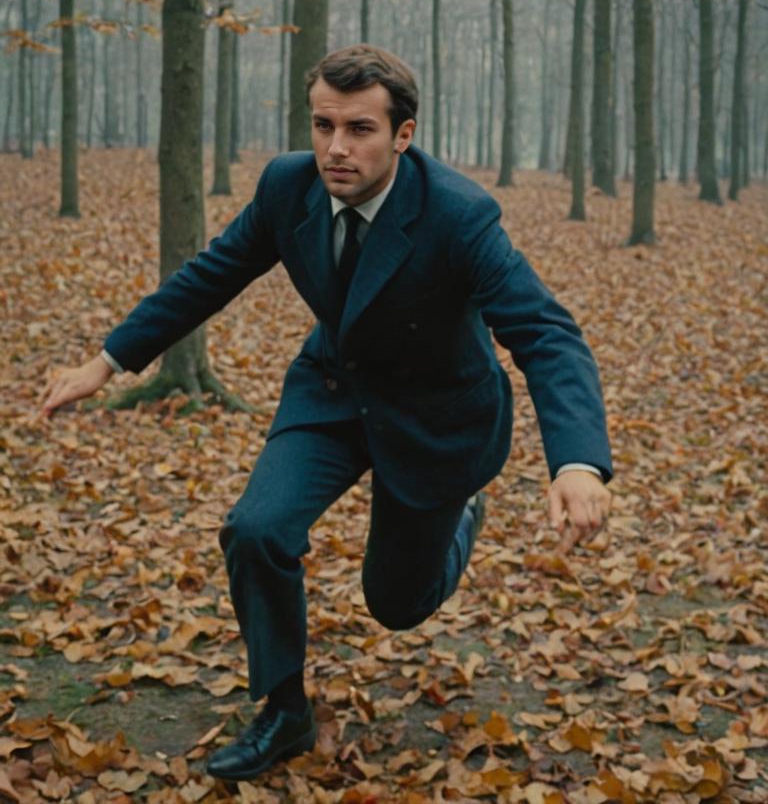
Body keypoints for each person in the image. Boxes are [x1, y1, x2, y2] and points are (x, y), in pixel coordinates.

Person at [42, 44, 613, 782]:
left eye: (360, 129)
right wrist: (106, 361)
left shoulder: (461, 217)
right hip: (334, 391)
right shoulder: (289, 186)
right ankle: (283, 713)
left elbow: (546, 334)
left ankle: (463, 511)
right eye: (323, 125)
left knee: (396, 605)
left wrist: (576, 461)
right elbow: (212, 275)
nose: (336, 148)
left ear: (403, 136)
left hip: (438, 419)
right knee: (257, 530)